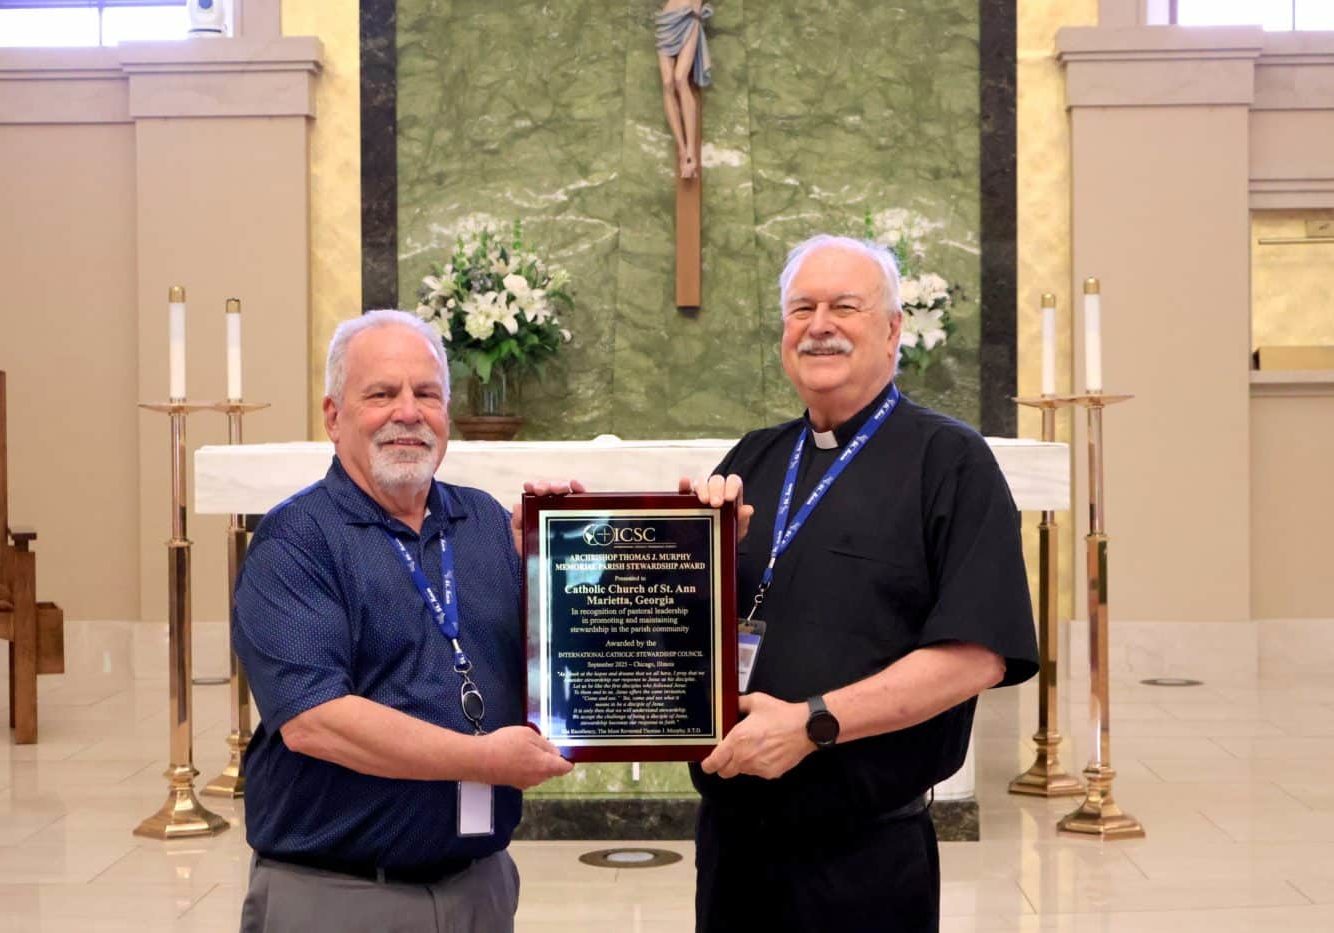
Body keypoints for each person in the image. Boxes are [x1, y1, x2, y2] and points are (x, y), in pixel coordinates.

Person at [684, 234, 1040, 932]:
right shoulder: (753, 456)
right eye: (802, 308)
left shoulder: (950, 460)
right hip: (734, 846)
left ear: (892, 329)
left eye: (845, 305)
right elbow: (684, 629)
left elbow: (977, 655)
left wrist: (812, 723)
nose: (819, 325)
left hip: (864, 859)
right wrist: (695, 554)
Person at [232, 309, 574, 933]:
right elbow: (316, 721)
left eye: (427, 394)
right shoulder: (298, 540)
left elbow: (562, 651)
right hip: (340, 895)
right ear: (334, 417)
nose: (408, 413)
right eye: (381, 394)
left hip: (478, 887)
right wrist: (482, 760)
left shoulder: (485, 523)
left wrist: (555, 560)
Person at [656, 0, 713, 178]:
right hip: (667, 18)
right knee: (667, 82)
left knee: (680, 78)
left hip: (690, 15)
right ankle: (682, 149)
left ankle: (691, 152)